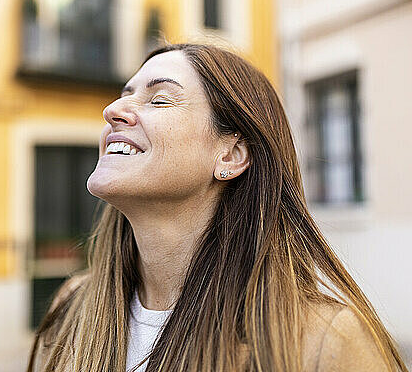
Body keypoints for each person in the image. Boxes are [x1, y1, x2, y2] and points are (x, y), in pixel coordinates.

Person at [26, 43, 408, 371]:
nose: (113, 110)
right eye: (125, 95)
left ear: (231, 154)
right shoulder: (72, 308)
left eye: (159, 99)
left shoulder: (325, 340)